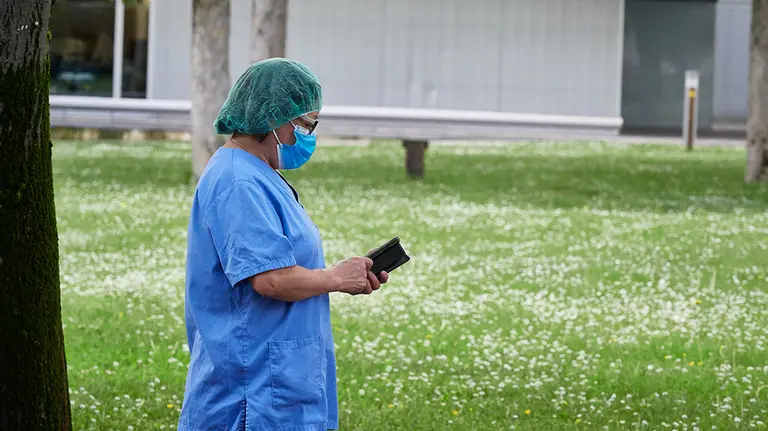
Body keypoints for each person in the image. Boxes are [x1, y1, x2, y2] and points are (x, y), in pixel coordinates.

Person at [178, 58, 388, 431]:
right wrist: (336, 278)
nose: (308, 136)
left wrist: (346, 275)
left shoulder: (258, 172)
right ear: (271, 117)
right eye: (305, 124)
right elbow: (269, 280)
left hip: (279, 380)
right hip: (252, 391)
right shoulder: (236, 181)